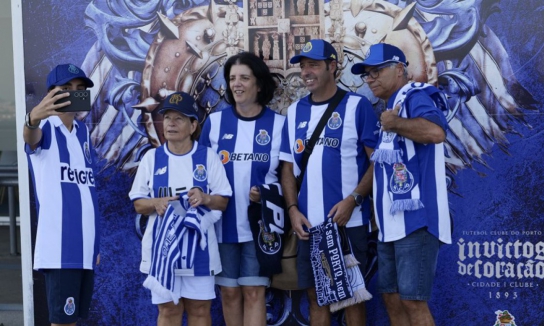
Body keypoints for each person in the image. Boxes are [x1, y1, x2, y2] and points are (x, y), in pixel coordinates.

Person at [351, 43, 452, 326]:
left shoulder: (415, 96)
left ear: (399, 69)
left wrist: (395, 124)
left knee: (412, 301)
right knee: (392, 299)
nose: (370, 78)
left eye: (376, 71)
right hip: (390, 225)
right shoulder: (390, 109)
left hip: (415, 222)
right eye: (366, 74)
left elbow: (436, 133)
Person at [279, 39, 379, 326]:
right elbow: (287, 168)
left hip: (349, 221)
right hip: (309, 224)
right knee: (315, 298)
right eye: (302, 66)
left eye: (313, 65)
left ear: (332, 66)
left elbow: (377, 161)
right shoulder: (295, 111)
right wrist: (293, 210)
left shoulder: (357, 106)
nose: (306, 71)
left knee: (353, 299)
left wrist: (355, 199)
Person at [129, 91, 232, 326]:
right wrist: (156, 203)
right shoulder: (152, 159)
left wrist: (205, 198)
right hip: (162, 250)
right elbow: (138, 204)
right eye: (167, 118)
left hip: (199, 251)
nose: (171, 123)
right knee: (168, 311)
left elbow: (223, 201)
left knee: (199, 311)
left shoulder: (208, 158)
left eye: (179, 118)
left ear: (193, 125)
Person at [199, 51, 285, 326]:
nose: (237, 84)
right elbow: (200, 173)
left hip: (260, 226)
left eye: (244, 78)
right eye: (232, 78)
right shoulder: (214, 124)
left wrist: (267, 194)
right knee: (229, 293)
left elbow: (290, 179)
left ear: (259, 84)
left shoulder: (279, 125)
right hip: (222, 225)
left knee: (253, 291)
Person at [23, 63, 100, 326]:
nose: (73, 93)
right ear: (51, 94)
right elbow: (31, 138)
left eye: (79, 89)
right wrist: (31, 117)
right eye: (65, 89)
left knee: (73, 321)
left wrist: (95, 242)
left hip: (84, 246)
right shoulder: (45, 126)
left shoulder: (83, 132)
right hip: (59, 248)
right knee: (61, 323)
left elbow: (87, 189)